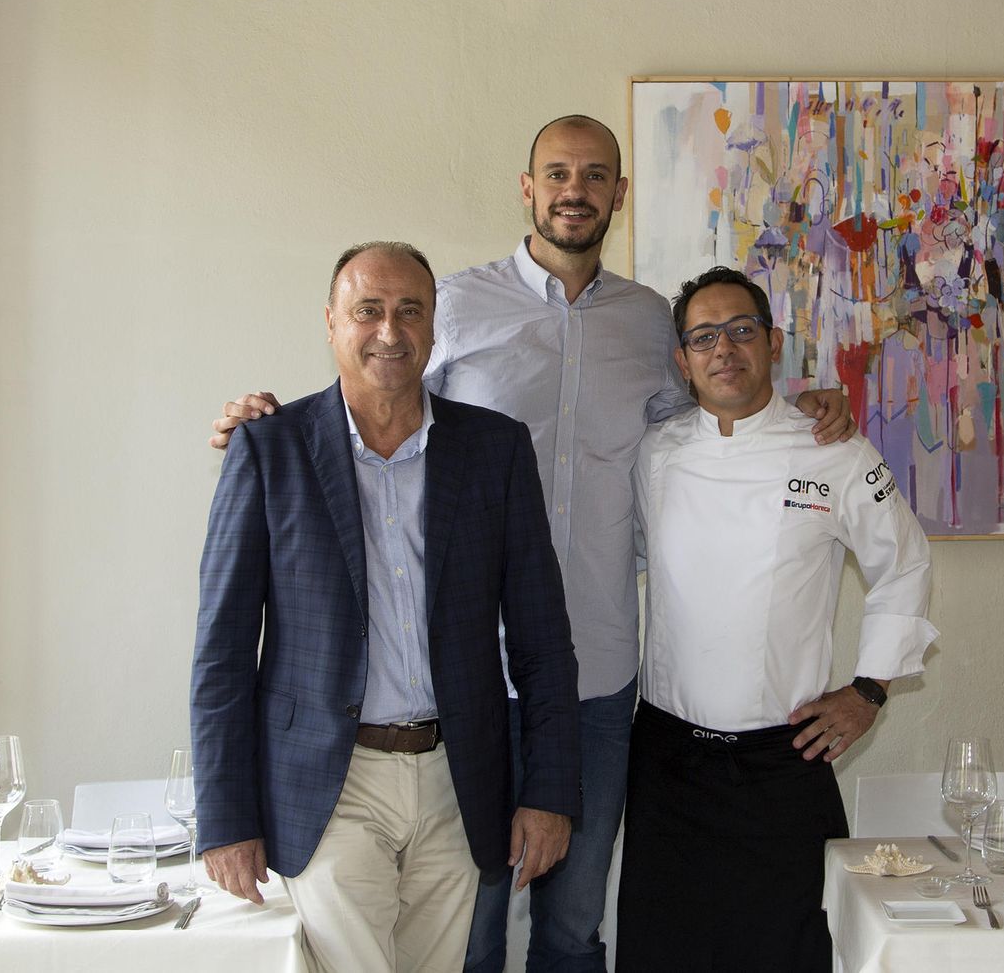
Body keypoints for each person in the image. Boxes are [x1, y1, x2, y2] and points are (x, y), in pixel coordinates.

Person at [208, 116, 854, 972]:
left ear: (619, 194)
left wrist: (805, 404)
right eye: (556, 173)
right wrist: (263, 423)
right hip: (461, 683)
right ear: (528, 188)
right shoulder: (455, 306)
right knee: (468, 934)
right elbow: (374, 400)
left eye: (593, 175)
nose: (574, 191)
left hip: (593, 672)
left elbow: (717, 413)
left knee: (571, 926)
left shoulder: (650, 322)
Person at [192, 242, 580, 973]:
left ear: (434, 325)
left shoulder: (495, 450)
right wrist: (225, 817)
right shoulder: (271, 450)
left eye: (410, 311)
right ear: (331, 322)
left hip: (457, 780)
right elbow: (223, 652)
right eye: (367, 310)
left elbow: (543, 640)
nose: (389, 331)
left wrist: (550, 791)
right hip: (329, 784)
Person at [617, 266, 937, 972]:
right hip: (668, 760)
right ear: (683, 361)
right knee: (662, 954)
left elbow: (906, 564)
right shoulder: (655, 453)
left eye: (741, 330)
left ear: (773, 342)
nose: (723, 349)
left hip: (782, 762)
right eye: (703, 337)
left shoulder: (834, 450)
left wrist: (869, 691)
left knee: (792, 952)